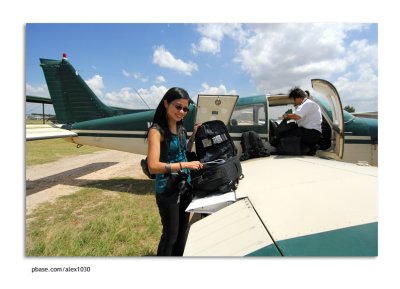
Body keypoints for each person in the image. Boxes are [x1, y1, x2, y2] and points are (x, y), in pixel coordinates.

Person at [146, 87, 203, 256]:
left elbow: (182, 151)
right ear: (166, 104)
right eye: (178, 107)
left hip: (185, 186)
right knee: (170, 235)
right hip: (167, 189)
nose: (182, 112)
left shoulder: (181, 129)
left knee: (182, 232)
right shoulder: (156, 131)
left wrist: (194, 136)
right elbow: (153, 166)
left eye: (185, 109)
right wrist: (185, 165)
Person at [282, 87, 322, 155]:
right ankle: (309, 148)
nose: (294, 102)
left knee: (286, 134)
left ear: (297, 98)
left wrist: (286, 115)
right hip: (312, 132)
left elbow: (296, 116)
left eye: (294, 100)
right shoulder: (306, 104)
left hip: (310, 132)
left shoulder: (307, 104)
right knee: (295, 131)